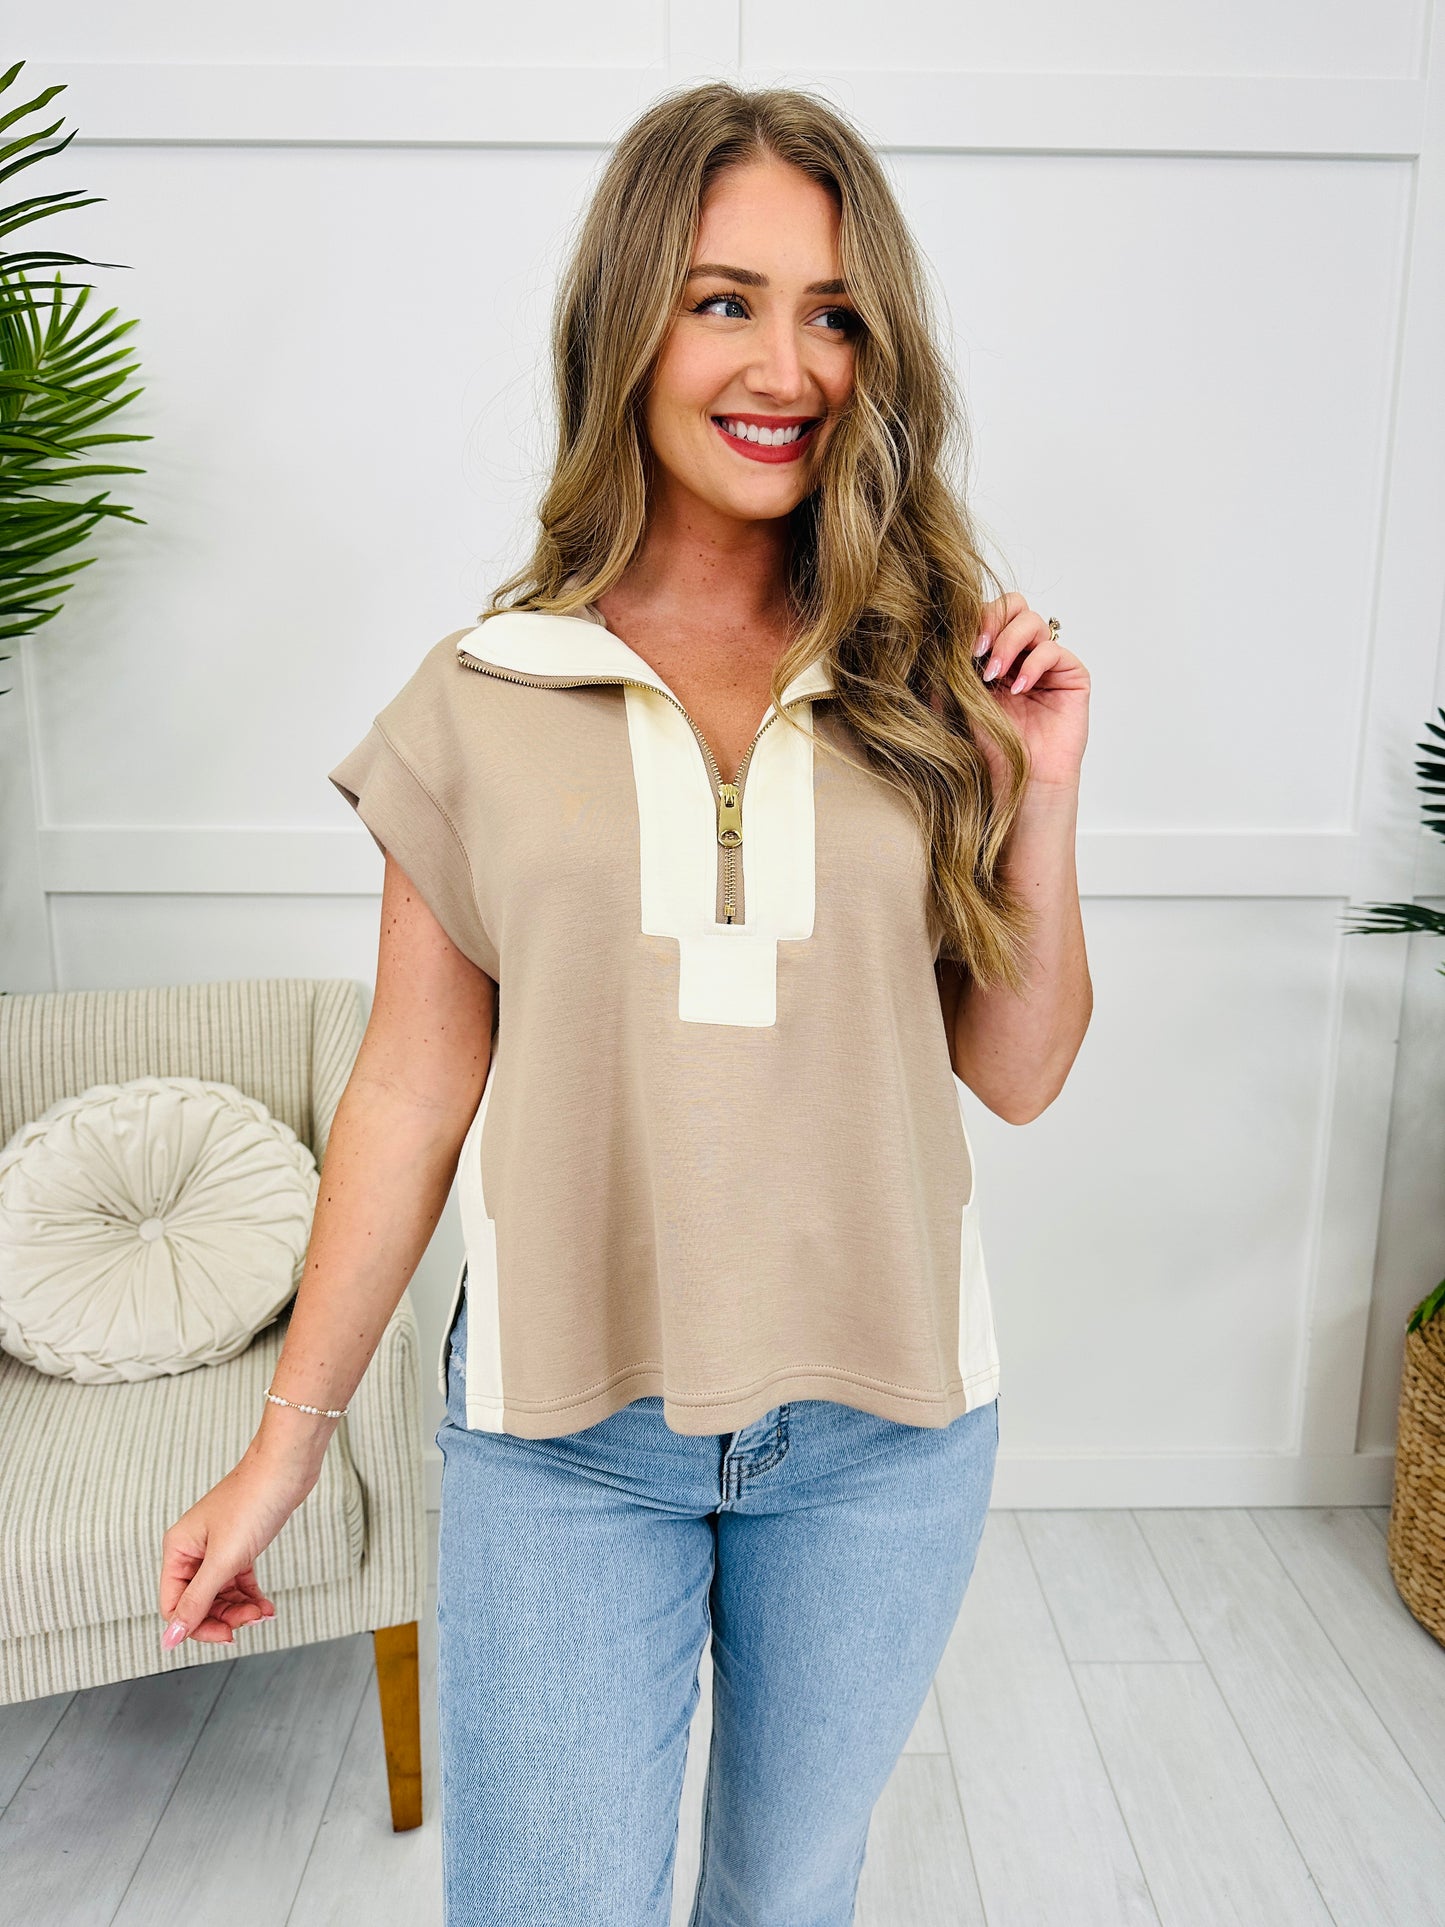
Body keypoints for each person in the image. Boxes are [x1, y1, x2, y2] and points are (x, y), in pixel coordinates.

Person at [158, 79, 1091, 1927]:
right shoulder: (483, 693)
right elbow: (410, 1091)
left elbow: (1020, 1069)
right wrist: (286, 1446)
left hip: (887, 1431)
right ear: (627, 321)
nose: (785, 367)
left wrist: (1041, 796)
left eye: (834, 315)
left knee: (782, 1901)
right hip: (563, 1439)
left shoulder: (927, 678)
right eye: (723, 299)